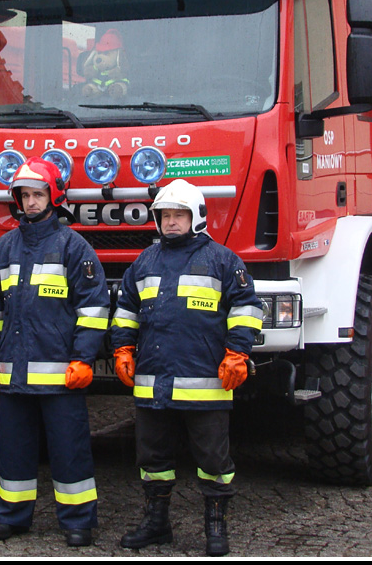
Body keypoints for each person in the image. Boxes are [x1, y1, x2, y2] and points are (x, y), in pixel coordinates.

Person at [110, 179, 264, 557]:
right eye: (165, 216)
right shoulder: (144, 262)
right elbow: (126, 310)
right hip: (153, 382)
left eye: (179, 215)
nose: (171, 222)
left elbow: (247, 307)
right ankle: (156, 523)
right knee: (152, 458)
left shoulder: (223, 260)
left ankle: (215, 526)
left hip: (206, 384)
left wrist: (237, 353)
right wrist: (122, 349)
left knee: (213, 459)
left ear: (196, 217)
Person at [0, 157, 109, 547]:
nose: (31, 203)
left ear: (54, 197)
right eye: (25, 196)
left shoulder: (73, 246)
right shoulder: (4, 246)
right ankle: (13, 517)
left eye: (37, 194)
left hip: (60, 376)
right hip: (14, 374)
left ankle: (78, 521)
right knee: (13, 451)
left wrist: (84, 358)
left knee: (70, 450)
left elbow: (94, 307)